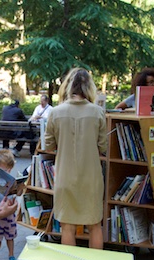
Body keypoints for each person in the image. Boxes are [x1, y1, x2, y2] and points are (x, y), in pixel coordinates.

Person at [45, 67, 107, 249]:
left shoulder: (55, 112)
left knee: (67, 226)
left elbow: (48, 146)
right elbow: (103, 146)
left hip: (65, 176)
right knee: (95, 225)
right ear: (89, 87)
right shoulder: (97, 112)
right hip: (91, 178)